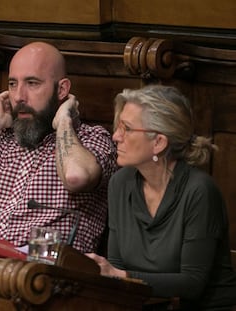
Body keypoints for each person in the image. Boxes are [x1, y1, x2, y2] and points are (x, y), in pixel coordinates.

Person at [0, 41, 118, 253]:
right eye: (12, 84)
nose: (19, 96)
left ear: (62, 89)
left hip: (49, 270)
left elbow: (76, 178)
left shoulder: (92, 139)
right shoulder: (1, 142)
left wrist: (64, 121)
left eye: (32, 83)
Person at [86, 84, 236, 310]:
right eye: (118, 127)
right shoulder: (119, 183)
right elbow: (116, 266)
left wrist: (118, 274)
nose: (116, 136)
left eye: (126, 128)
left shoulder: (199, 190)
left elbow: (192, 283)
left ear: (159, 142)